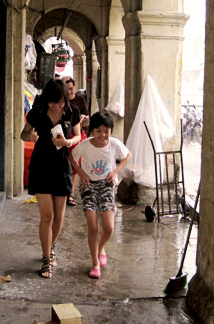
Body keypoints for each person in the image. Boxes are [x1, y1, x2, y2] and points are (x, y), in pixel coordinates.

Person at [20, 79, 81, 278]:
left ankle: (50, 246)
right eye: (53, 101)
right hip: (41, 166)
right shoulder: (37, 112)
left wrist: (67, 141)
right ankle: (46, 259)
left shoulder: (72, 112)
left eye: (60, 101)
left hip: (62, 167)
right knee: (47, 216)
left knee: (58, 218)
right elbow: (23, 133)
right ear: (46, 99)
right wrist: (30, 138)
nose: (57, 105)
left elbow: (79, 135)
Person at [69, 110, 131, 279]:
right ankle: (95, 262)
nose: (103, 135)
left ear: (110, 131)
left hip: (107, 185)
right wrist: (81, 174)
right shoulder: (85, 145)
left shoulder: (114, 144)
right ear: (92, 131)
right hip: (88, 186)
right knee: (93, 226)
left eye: (106, 131)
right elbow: (72, 157)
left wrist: (115, 171)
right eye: (98, 131)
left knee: (109, 227)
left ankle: (101, 247)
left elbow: (127, 156)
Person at [62, 77, 89, 206]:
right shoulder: (61, 102)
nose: (70, 92)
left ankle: (70, 194)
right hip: (64, 135)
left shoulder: (80, 101)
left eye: (72, 88)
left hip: (76, 135)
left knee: (74, 165)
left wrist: (83, 119)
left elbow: (87, 116)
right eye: (67, 89)